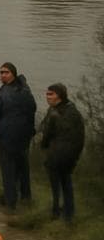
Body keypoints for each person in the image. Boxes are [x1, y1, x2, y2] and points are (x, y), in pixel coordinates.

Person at [0, 62, 37, 209]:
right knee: (21, 169)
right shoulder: (16, 89)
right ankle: (24, 199)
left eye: (6, 72)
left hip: (11, 137)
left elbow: (25, 113)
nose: (3, 75)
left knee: (10, 172)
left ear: (13, 74)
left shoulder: (18, 92)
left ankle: (11, 203)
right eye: (1, 73)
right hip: (18, 136)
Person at [39, 84, 85, 221]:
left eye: (51, 94)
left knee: (57, 184)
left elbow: (49, 132)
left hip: (60, 153)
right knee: (66, 182)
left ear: (60, 96)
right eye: (47, 94)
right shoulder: (71, 110)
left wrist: (44, 145)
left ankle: (56, 212)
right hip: (68, 153)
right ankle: (68, 214)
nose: (48, 97)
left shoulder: (59, 113)